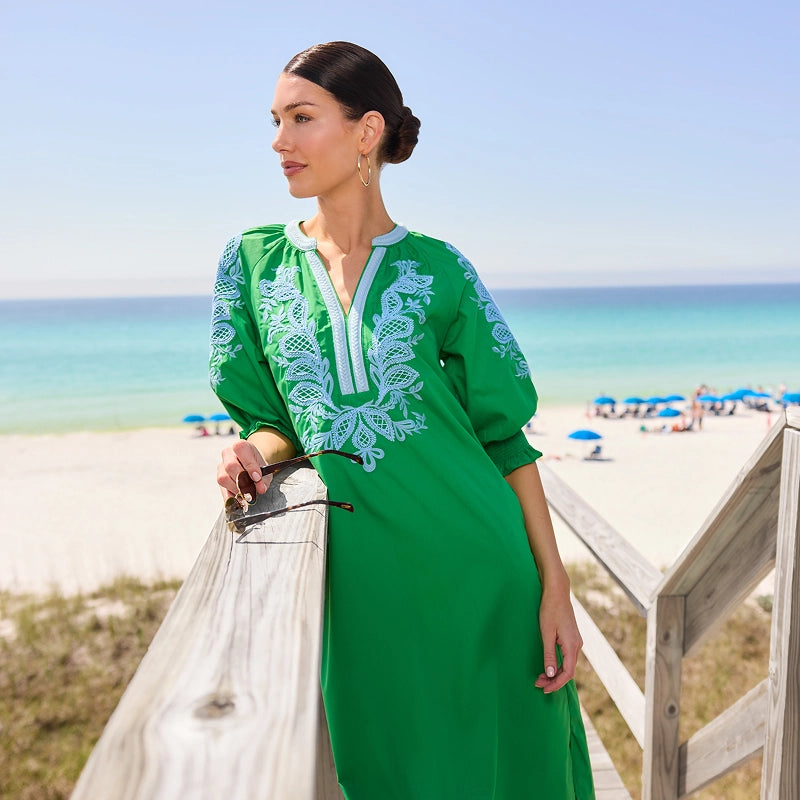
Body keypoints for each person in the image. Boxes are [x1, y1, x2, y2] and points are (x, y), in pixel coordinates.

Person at [210, 41, 594, 799]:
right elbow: (275, 416)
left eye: (301, 118)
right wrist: (252, 451)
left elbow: (505, 439)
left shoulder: (440, 268)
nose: (279, 142)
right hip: (365, 586)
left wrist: (555, 586)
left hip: (485, 572)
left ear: (366, 131)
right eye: (275, 121)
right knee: (385, 770)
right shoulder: (251, 264)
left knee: (509, 768)